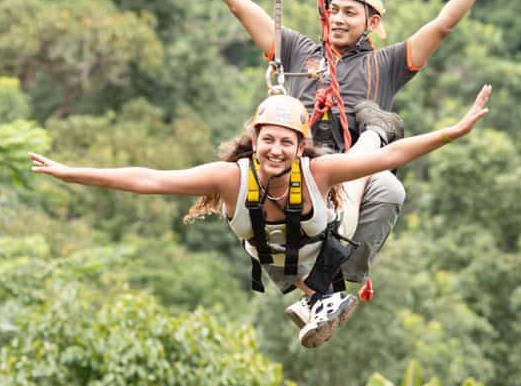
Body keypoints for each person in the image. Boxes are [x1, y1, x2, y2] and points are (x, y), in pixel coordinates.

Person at [183, 0, 509, 296]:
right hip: (298, 168)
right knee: (262, 179)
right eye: (334, 10)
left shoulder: (386, 65)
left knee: (389, 190)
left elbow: (442, 26)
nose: (338, 18)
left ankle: (337, 279)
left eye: (350, 13)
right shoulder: (298, 50)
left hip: (349, 175)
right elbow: (242, 7)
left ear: (372, 23)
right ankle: (303, 282)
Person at [29, 85, 492, 348]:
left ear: (299, 146)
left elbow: (397, 155)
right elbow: (148, 179)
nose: (276, 150)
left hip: (332, 237)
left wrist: (453, 132)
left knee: (368, 168)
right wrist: (71, 173)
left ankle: (377, 127)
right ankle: (316, 298)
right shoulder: (229, 179)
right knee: (345, 187)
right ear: (254, 140)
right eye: (268, 140)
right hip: (283, 266)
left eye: (286, 142)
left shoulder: (315, 171)